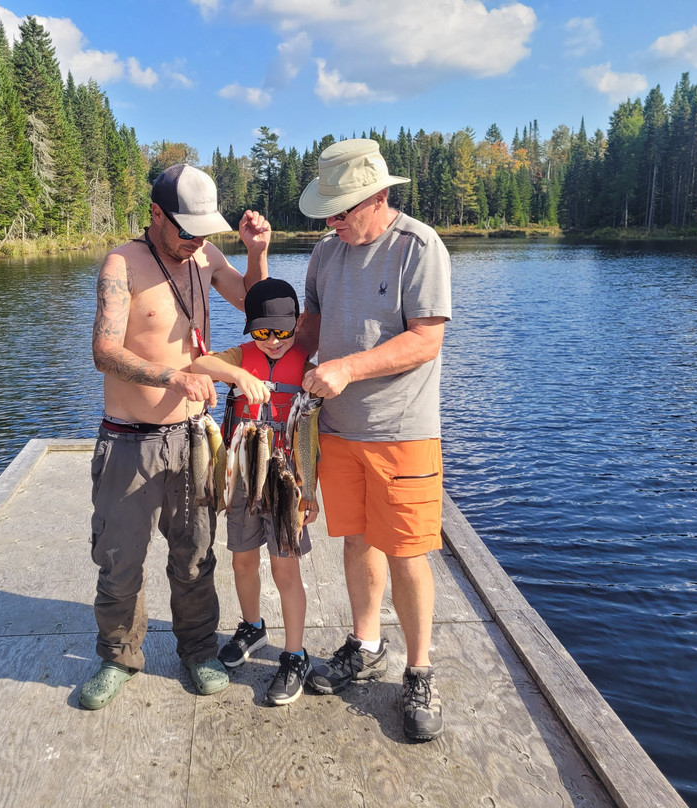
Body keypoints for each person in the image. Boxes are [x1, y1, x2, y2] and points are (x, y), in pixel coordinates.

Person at [80, 164, 271, 710]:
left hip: (193, 438)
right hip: (128, 442)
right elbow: (104, 351)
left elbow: (252, 301)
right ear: (157, 215)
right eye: (186, 230)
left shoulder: (206, 256)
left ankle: (198, 651)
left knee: (195, 555)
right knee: (120, 559)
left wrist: (255, 251)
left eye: (205, 231)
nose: (196, 242)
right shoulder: (123, 263)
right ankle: (118, 656)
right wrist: (173, 375)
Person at [294, 139, 452, 742]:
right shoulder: (325, 255)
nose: (332, 221)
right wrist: (269, 350)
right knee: (358, 540)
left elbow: (425, 339)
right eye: (328, 212)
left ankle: (419, 669)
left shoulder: (418, 246)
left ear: (378, 197)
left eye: (341, 210)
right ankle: (366, 644)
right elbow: (309, 328)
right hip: (336, 432)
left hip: (401, 433)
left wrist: (349, 369)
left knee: (408, 550)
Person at [189, 278, 318, 706]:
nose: (274, 341)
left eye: (283, 332)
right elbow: (199, 366)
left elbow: (317, 439)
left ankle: (295, 654)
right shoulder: (241, 357)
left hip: (288, 481)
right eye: (263, 333)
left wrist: (312, 493)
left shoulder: (308, 361)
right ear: (251, 331)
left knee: (285, 570)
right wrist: (238, 374)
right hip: (243, 476)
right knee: (242, 561)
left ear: (297, 326)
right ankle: (252, 626)